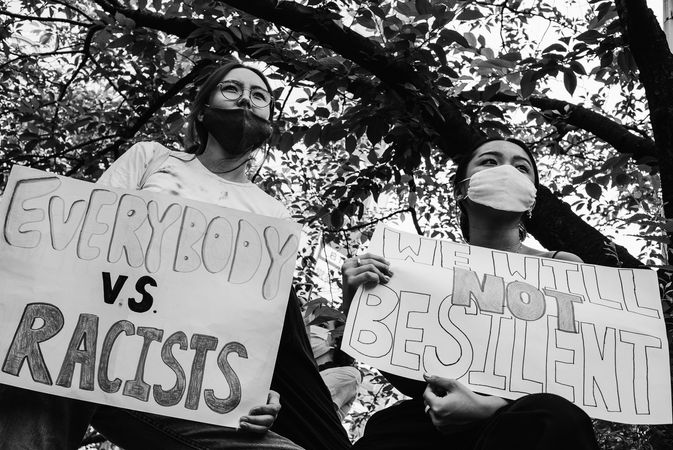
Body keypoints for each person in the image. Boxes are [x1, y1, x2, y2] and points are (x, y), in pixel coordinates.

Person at [0, 61, 351, 450]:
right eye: (231, 89)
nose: (245, 100)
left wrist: (258, 391)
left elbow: (251, 326)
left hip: (178, 384)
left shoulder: (273, 216)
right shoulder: (151, 159)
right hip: (79, 349)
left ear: (270, 121)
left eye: (259, 95)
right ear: (202, 110)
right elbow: (82, 241)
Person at [341, 138, 600, 450]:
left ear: (533, 197)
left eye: (521, 168)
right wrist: (358, 302)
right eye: (489, 161)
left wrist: (491, 407)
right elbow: (409, 376)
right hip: (435, 419)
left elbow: (574, 373)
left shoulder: (563, 266)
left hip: (527, 421)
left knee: (556, 416)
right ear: (460, 190)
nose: (507, 171)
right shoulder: (423, 271)